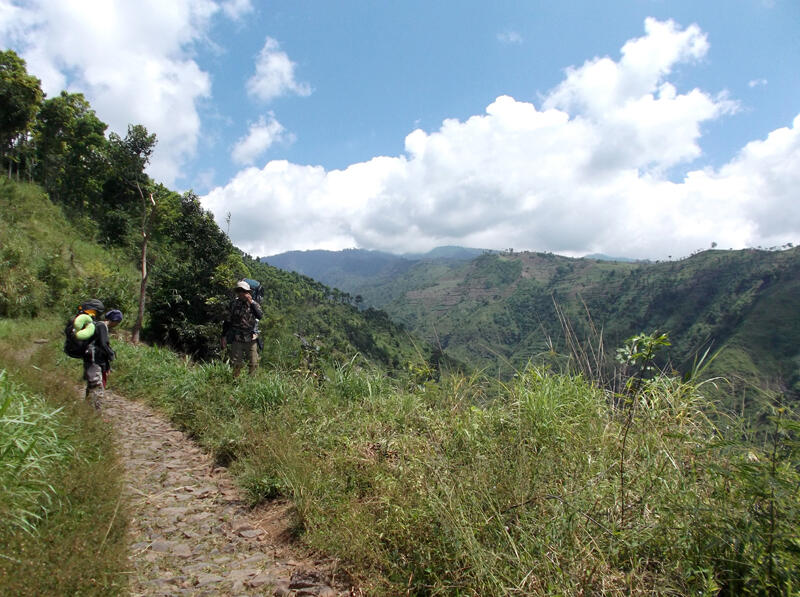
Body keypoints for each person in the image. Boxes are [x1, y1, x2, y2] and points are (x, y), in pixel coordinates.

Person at [70, 300, 120, 410]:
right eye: (118, 322)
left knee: (92, 386)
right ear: (115, 320)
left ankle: (87, 411)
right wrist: (111, 354)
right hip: (94, 361)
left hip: (92, 360)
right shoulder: (102, 326)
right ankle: (96, 413)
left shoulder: (98, 325)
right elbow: (103, 344)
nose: (117, 325)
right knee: (97, 387)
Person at [221, 280, 262, 377]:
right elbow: (227, 321)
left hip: (251, 338)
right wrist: (223, 336)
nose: (241, 294)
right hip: (237, 337)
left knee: (254, 363)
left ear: (248, 292)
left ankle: (251, 383)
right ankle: (235, 382)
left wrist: (251, 302)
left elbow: (259, 315)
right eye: (239, 291)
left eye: (243, 291)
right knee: (236, 363)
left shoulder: (254, 304)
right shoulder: (233, 304)